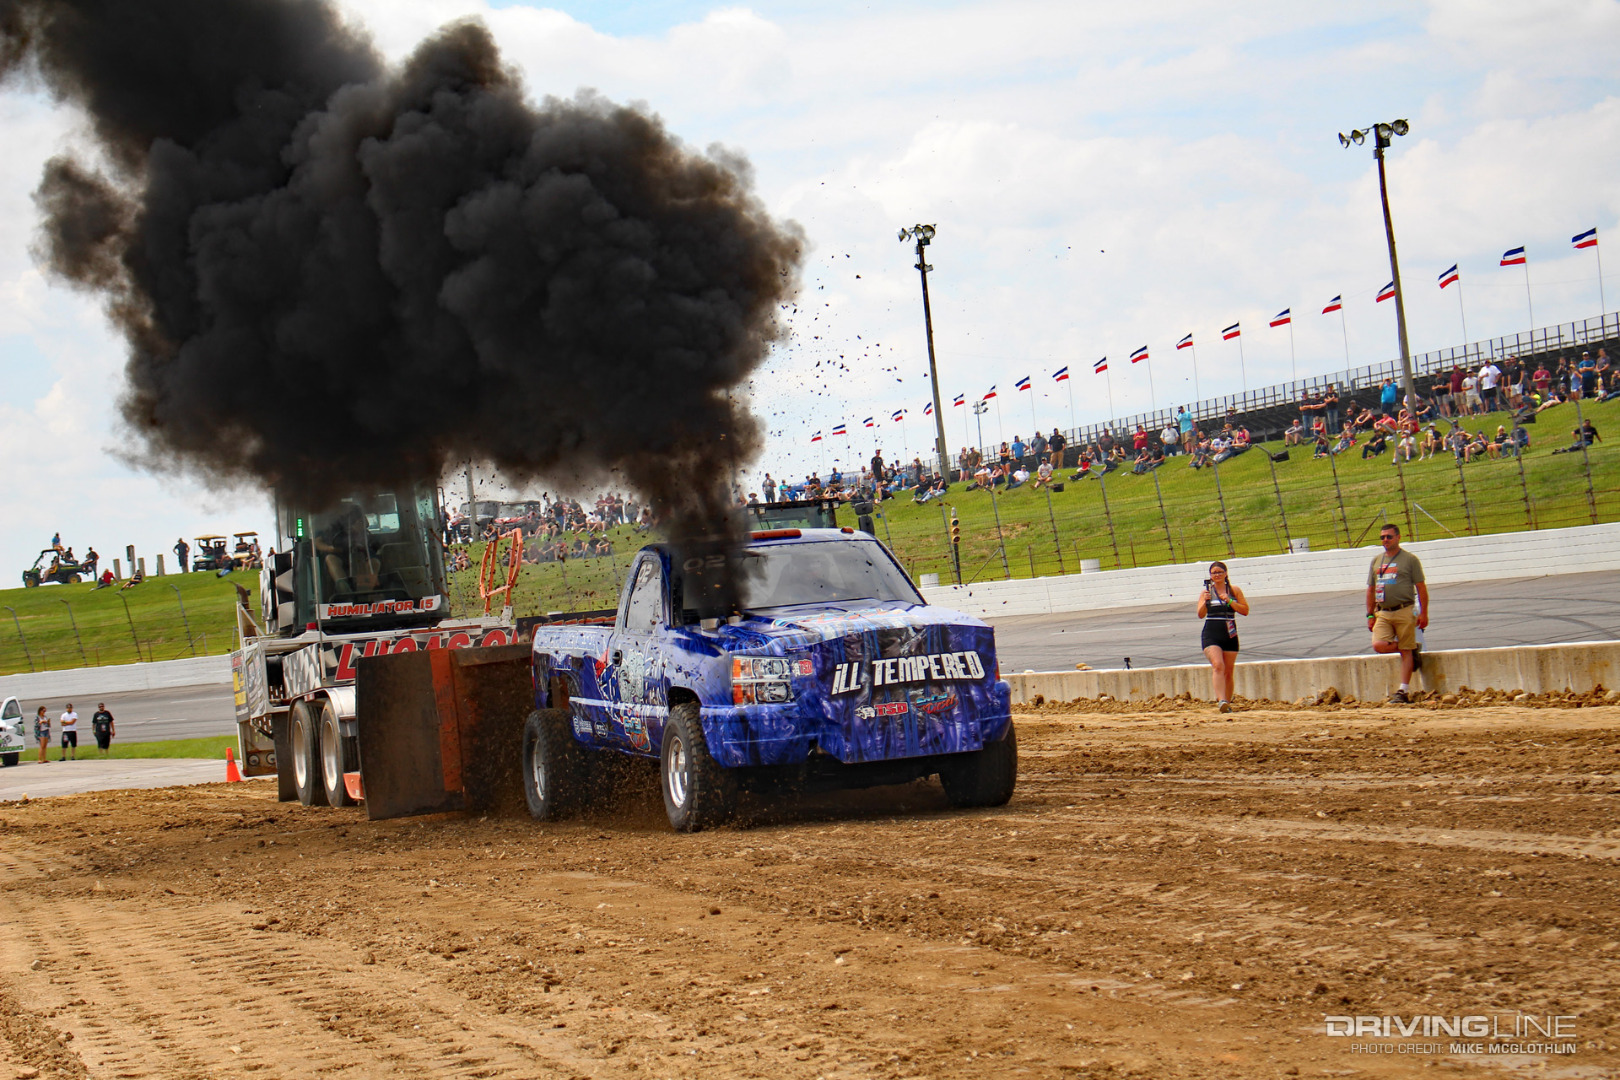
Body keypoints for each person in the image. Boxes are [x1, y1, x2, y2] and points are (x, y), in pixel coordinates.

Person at [1367, 523, 1428, 703]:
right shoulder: (1376, 560)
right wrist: (1370, 614)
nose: (1385, 540)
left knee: (1405, 651)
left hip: (1404, 610)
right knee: (1379, 644)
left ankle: (1403, 690)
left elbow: (1421, 587)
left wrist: (1424, 613)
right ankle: (1411, 647)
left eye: (1389, 536)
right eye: (1382, 537)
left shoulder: (1410, 560)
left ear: (1398, 537)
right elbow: (1371, 589)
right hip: (1383, 612)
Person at [1197, 562, 1249, 713]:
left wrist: (1230, 601)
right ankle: (1221, 700)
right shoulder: (1206, 592)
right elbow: (1200, 614)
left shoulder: (1234, 590)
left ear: (1226, 574)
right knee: (1218, 665)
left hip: (1229, 632)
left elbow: (1245, 610)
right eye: (1214, 573)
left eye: (1220, 572)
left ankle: (1227, 702)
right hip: (1211, 632)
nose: (1217, 575)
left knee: (1228, 669)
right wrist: (1205, 602)